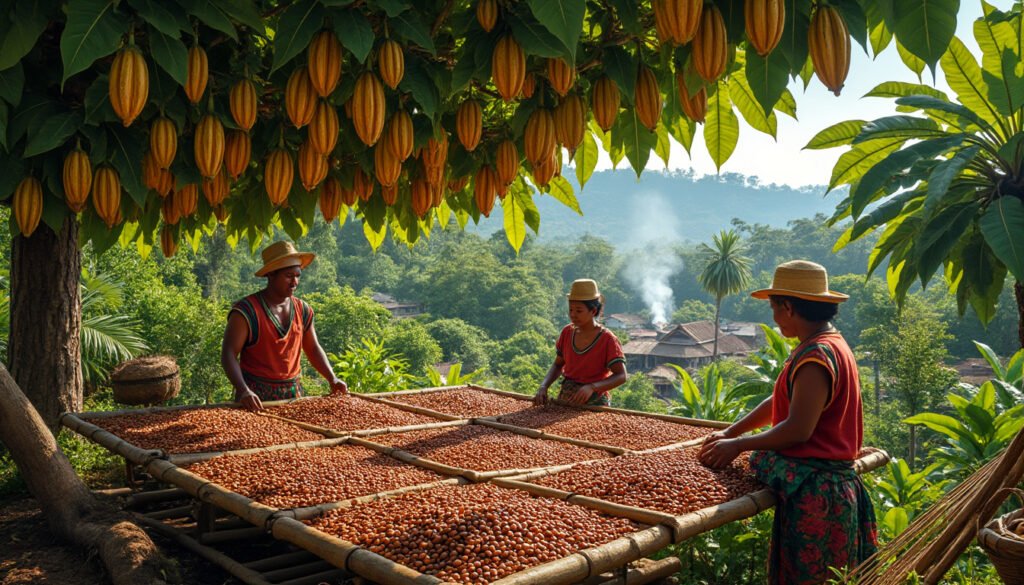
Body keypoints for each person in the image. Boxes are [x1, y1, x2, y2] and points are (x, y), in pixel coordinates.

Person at [698, 260, 877, 584]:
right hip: (825, 491)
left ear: (789, 307)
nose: (774, 318)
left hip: (819, 495)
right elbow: (778, 402)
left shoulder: (816, 357)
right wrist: (730, 431)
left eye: (774, 309)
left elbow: (798, 428)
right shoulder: (827, 344)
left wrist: (739, 446)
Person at [221, 240, 348, 411]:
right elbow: (228, 354)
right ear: (271, 275)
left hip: (293, 395)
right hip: (254, 398)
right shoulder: (246, 311)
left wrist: (332, 378)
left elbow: (312, 348)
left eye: (297, 276)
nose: (294, 282)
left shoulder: (303, 310)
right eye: (289, 276)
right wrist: (244, 390)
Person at [534, 279, 627, 407]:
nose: (573, 315)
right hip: (567, 397)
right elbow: (557, 365)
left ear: (593, 311)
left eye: (578, 311)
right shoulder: (567, 332)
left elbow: (621, 375)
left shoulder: (607, 339)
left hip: (595, 400)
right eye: (571, 310)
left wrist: (592, 387)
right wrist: (544, 386)